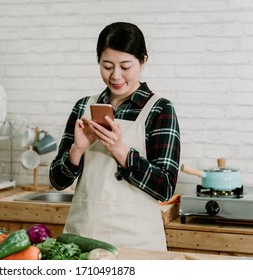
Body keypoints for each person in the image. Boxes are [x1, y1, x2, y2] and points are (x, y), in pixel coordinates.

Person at [49, 22, 180, 251]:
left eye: (125, 66)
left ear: (143, 61)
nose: (116, 76)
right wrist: (77, 150)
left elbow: (165, 187)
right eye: (107, 66)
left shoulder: (160, 110)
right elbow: (57, 181)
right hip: (82, 239)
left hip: (137, 244)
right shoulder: (84, 107)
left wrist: (121, 151)